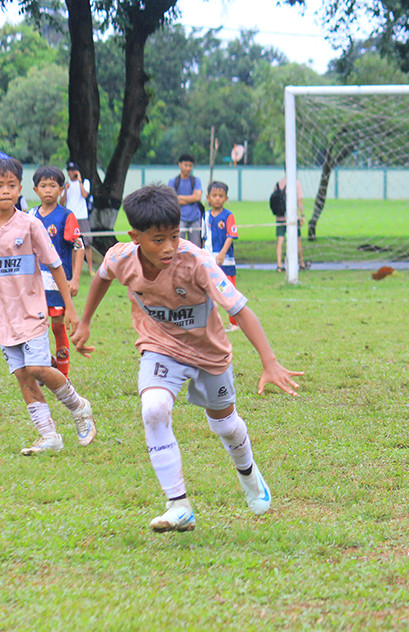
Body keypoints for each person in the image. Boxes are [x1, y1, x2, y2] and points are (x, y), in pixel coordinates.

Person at [71, 184, 303, 533]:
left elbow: (242, 310)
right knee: (154, 410)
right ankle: (178, 505)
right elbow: (102, 277)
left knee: (225, 425)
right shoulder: (121, 257)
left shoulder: (198, 262)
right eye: (158, 239)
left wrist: (269, 361)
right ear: (135, 236)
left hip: (209, 352)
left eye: (175, 237)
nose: (168, 247)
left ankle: (249, 474)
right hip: (160, 345)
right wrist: (86, 320)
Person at [0, 156, 96, 456]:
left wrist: (69, 307)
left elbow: (56, 266)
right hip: (5, 317)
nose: (5, 190)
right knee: (23, 376)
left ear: (19, 190)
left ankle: (79, 407)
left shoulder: (30, 224)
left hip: (33, 311)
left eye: (11, 185)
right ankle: (48, 435)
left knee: (39, 368)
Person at [30, 166, 84, 378]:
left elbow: (79, 247)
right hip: (34, 283)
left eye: (53, 185)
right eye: (43, 186)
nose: (48, 190)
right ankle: (47, 363)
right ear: (35, 190)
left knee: (58, 326)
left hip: (56, 282)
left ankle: (63, 375)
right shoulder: (30, 216)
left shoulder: (66, 216)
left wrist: (75, 279)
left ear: (62, 189)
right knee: (35, 328)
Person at [201, 181, 240, 332]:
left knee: (228, 291)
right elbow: (204, 238)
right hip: (210, 261)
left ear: (226, 198)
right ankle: (209, 323)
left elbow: (231, 235)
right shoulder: (205, 216)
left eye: (221, 196)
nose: (217, 198)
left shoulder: (228, 216)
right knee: (208, 290)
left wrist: (223, 252)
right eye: (214, 195)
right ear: (208, 197)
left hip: (225, 262)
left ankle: (234, 323)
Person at [60, 161, 94, 274]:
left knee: (87, 243)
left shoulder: (85, 182)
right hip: (71, 216)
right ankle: (74, 270)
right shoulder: (66, 185)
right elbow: (62, 202)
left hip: (82, 216)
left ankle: (90, 268)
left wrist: (79, 181)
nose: (71, 173)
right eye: (69, 171)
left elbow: (84, 194)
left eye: (73, 171)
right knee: (72, 244)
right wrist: (65, 190)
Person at [273, 176, 308, 272]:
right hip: (292, 217)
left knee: (280, 241)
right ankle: (301, 263)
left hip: (280, 217)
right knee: (298, 240)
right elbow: (299, 201)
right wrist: (302, 215)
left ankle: (279, 264)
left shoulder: (278, 184)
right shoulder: (296, 183)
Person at [170, 154, 203, 248]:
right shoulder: (173, 181)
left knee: (196, 247)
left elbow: (198, 197)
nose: (188, 168)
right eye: (186, 165)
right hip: (180, 218)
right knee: (179, 246)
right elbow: (173, 200)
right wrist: (191, 198)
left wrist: (180, 197)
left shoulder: (196, 180)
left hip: (195, 218)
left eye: (190, 166)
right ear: (180, 164)